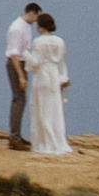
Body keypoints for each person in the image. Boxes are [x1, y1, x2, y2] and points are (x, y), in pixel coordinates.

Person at [23, 12, 72, 156]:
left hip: (42, 77)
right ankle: (57, 141)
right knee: (54, 110)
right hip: (55, 75)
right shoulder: (60, 41)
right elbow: (62, 62)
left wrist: (25, 54)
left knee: (42, 110)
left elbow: (36, 62)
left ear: (40, 26)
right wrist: (63, 79)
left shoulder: (39, 42)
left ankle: (45, 143)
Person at [3, 2, 41, 151]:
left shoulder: (25, 26)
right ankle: (14, 137)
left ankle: (17, 135)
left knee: (21, 99)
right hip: (16, 65)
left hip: (22, 64)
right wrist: (21, 76)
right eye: (36, 17)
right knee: (18, 99)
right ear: (32, 13)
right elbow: (14, 53)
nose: (36, 20)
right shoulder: (17, 28)